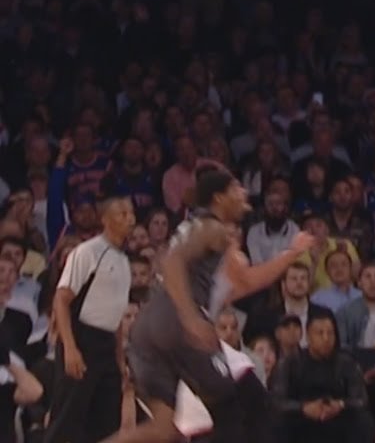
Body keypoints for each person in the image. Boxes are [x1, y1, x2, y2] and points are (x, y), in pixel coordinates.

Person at [103, 167, 313, 443]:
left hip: (147, 328)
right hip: (175, 321)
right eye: (236, 188)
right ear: (219, 198)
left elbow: (245, 283)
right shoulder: (212, 227)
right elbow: (172, 263)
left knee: (163, 429)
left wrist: (292, 253)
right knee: (232, 406)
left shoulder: (199, 231)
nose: (243, 192)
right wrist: (190, 317)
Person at [45, 197, 136, 443]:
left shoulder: (124, 260)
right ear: (105, 219)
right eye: (122, 213)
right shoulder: (88, 252)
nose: (130, 218)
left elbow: (116, 314)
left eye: (131, 213)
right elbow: (61, 299)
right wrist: (70, 348)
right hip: (81, 337)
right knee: (67, 419)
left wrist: (119, 359)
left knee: (106, 423)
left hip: (107, 344)